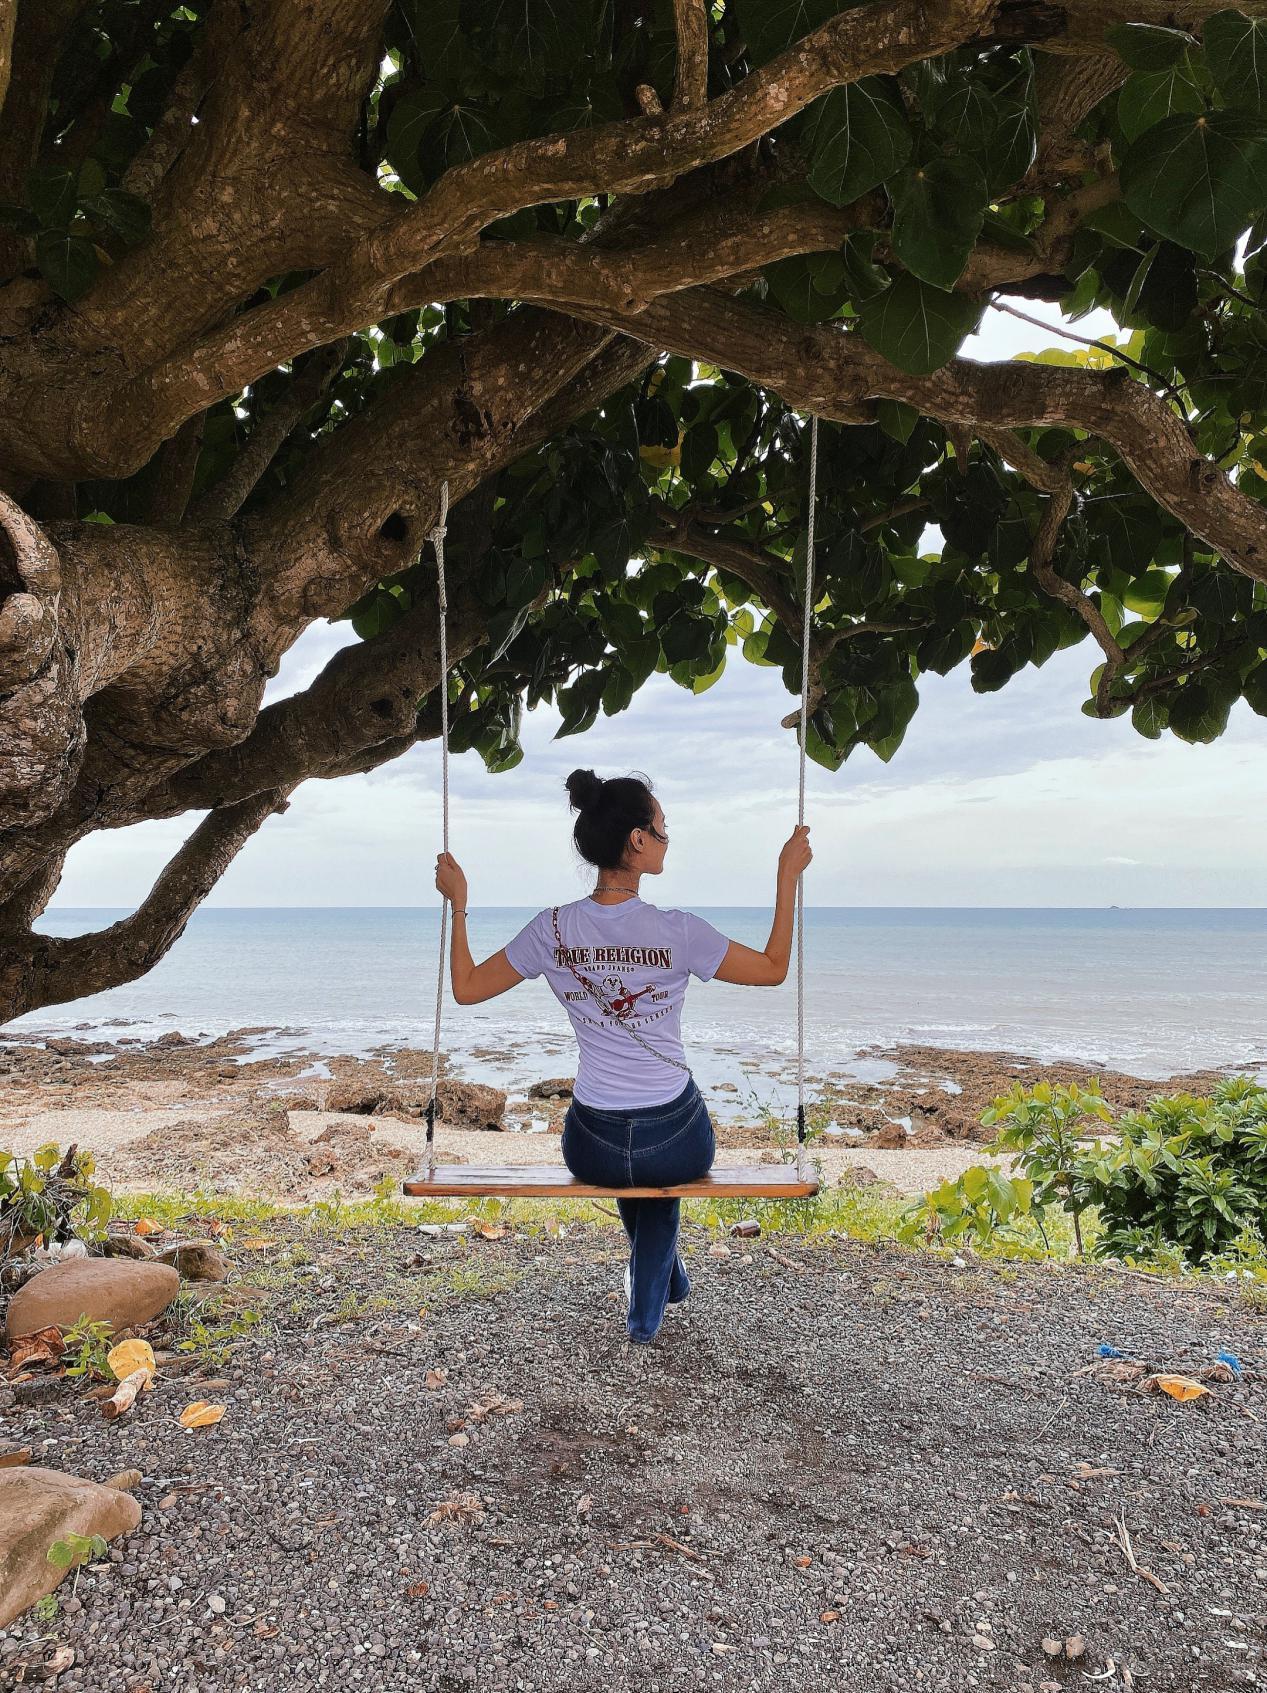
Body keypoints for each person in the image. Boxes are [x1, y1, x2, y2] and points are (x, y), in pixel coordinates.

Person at [433, 767, 812, 1346]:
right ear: (636, 840)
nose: (666, 838)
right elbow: (773, 969)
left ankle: (666, 1276)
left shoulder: (552, 929)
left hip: (593, 1144)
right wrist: (787, 877)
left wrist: (459, 903)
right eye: (662, 828)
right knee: (664, 1163)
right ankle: (644, 1314)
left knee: (637, 1167)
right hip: (673, 1139)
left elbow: (466, 987)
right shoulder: (677, 931)